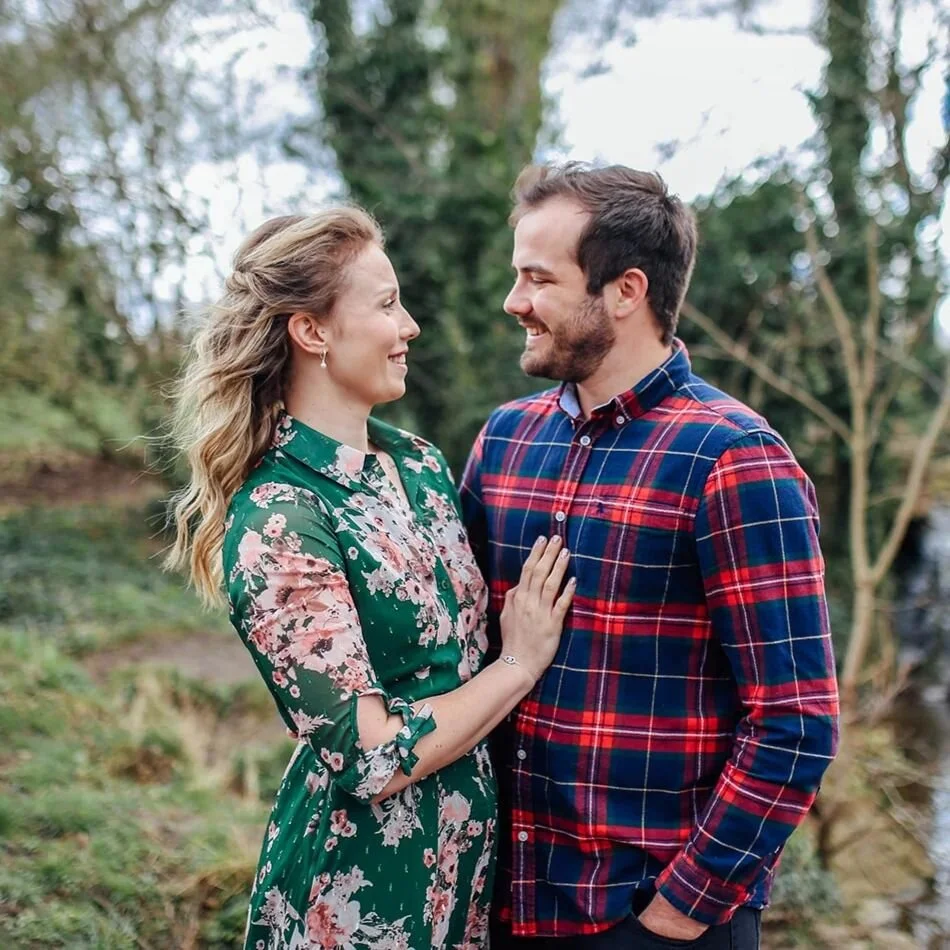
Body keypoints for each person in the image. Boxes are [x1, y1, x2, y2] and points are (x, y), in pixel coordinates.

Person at [165, 208, 575, 950]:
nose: (410, 325)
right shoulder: (281, 518)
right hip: (356, 892)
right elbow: (371, 757)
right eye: (386, 305)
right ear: (312, 331)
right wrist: (519, 664)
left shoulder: (418, 464)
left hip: (468, 873)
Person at [460, 163, 840, 950]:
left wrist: (683, 908)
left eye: (538, 279)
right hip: (503, 903)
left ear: (625, 291)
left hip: (646, 917)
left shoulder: (733, 459)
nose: (513, 302)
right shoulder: (505, 439)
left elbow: (795, 722)